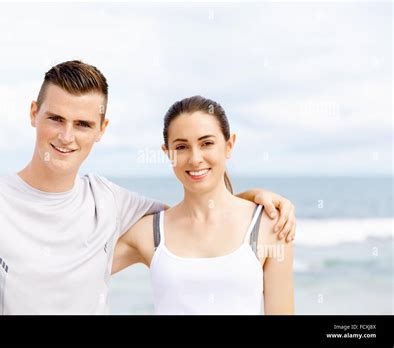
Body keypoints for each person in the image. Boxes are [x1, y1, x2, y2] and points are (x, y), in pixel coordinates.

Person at [0, 60, 296, 314]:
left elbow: (200, 214)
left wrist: (255, 199)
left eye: (83, 124)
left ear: (102, 130)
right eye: (55, 118)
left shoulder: (111, 203)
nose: (66, 136)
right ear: (33, 113)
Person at [111, 96, 293, 314]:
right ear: (167, 152)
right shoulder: (148, 232)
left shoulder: (269, 225)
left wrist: (250, 197)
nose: (195, 158)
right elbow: (74, 272)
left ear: (229, 145)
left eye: (206, 143)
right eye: (181, 147)